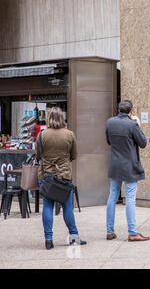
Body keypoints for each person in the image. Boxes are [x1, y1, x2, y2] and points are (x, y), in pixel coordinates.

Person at [36, 107, 86, 250]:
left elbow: (38, 156)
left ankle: (48, 239)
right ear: (62, 118)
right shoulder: (69, 134)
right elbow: (74, 155)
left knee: (47, 206)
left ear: (49, 118)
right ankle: (74, 237)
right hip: (64, 176)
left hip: (46, 176)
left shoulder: (42, 135)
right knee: (67, 207)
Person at [105, 100, 150, 241]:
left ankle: (110, 231)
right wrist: (138, 125)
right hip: (130, 165)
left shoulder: (109, 122)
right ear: (131, 111)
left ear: (118, 110)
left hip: (115, 164)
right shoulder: (132, 124)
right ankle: (132, 232)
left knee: (112, 196)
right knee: (130, 198)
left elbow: (108, 141)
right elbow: (143, 143)